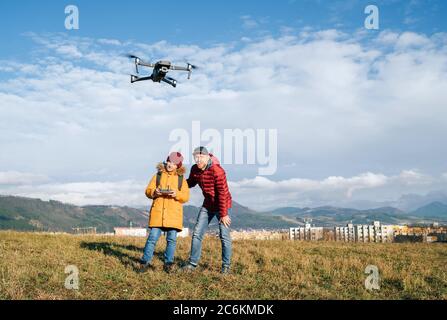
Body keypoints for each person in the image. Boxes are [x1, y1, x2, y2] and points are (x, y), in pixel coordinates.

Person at [181, 146, 233, 274]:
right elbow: (190, 183)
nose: (198, 160)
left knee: (224, 236)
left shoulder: (217, 171)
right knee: (197, 233)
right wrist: (177, 183)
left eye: (201, 157)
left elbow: (222, 193)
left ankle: (226, 266)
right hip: (208, 205)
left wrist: (224, 214)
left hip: (222, 204)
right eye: (195, 157)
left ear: (207, 157)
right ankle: (192, 264)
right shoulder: (195, 169)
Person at [139, 152, 190, 273]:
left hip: (173, 215)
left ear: (178, 165)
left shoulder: (181, 179)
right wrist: (155, 192)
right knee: (152, 238)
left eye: (174, 163)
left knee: (171, 240)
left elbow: (186, 197)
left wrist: (176, 194)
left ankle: (168, 263)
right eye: (169, 161)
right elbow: (148, 191)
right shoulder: (157, 175)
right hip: (158, 214)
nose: (170, 165)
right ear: (166, 161)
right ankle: (145, 262)